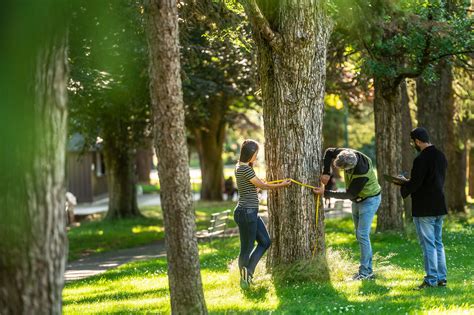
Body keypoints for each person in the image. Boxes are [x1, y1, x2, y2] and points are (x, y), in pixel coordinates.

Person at [313, 148, 381, 280]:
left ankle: (365, 272)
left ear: (351, 167)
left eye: (345, 170)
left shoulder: (361, 172)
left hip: (369, 200)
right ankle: (368, 270)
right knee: (360, 235)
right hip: (357, 200)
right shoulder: (345, 153)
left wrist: (325, 193)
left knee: (362, 234)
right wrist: (326, 172)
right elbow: (329, 152)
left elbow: (349, 194)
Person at [234, 139, 291, 289]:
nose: (257, 157)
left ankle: (248, 272)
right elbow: (264, 186)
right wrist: (283, 185)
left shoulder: (240, 167)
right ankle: (245, 281)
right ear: (251, 154)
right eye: (256, 154)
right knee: (246, 248)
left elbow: (252, 186)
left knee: (265, 242)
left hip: (249, 212)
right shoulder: (245, 169)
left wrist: (258, 185)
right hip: (247, 212)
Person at [399, 127, 448, 290]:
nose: (413, 144)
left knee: (428, 244)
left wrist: (403, 185)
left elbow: (416, 183)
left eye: (413, 142)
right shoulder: (441, 156)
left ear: (418, 141)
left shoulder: (421, 159)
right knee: (437, 243)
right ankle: (441, 278)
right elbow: (432, 180)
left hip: (424, 207)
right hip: (439, 204)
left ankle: (431, 279)